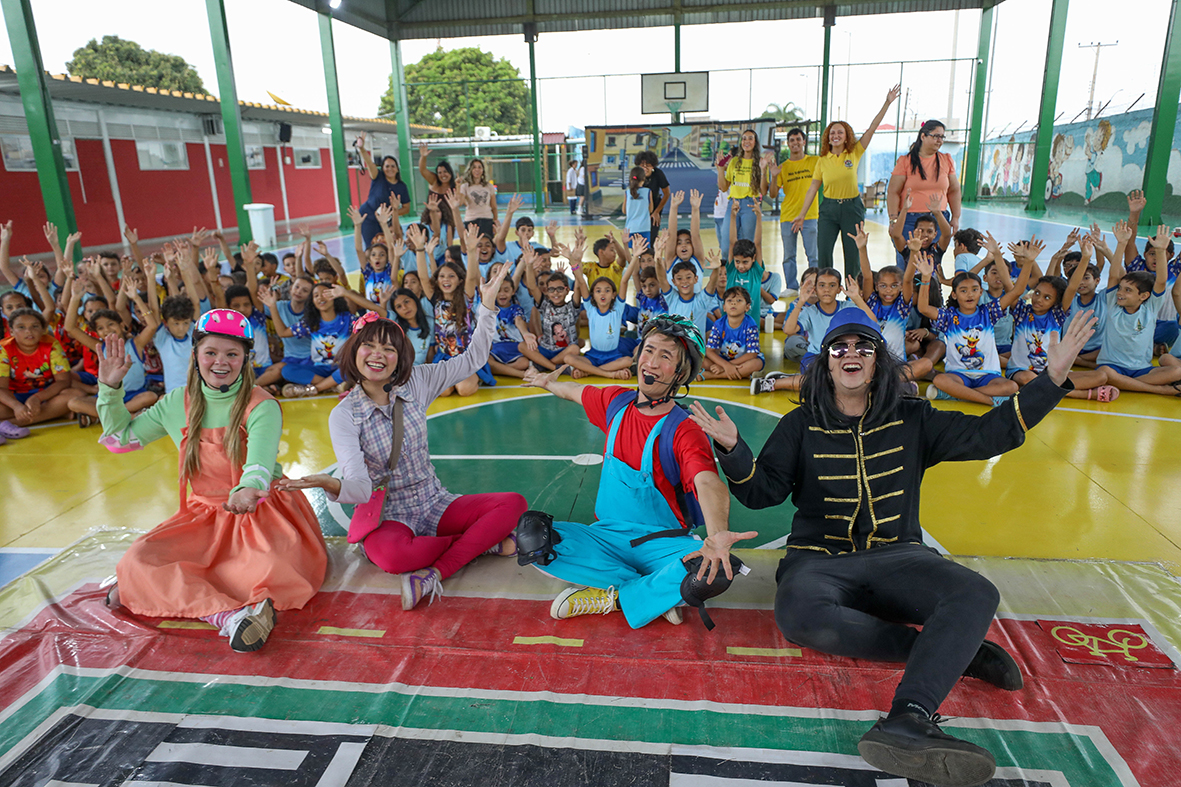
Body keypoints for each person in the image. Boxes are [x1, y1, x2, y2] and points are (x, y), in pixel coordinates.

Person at [691, 306, 1097, 787]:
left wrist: (1050, 379)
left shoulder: (914, 417)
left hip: (899, 557)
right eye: (840, 347)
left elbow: (990, 433)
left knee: (975, 594)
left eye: (864, 346)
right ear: (825, 362)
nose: (852, 354)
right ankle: (955, 653)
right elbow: (761, 494)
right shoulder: (800, 424)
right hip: (818, 563)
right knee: (796, 613)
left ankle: (909, 715)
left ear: (877, 361)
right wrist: (734, 450)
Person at [278, 265, 525, 611]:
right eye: (369, 347)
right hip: (390, 513)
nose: (378, 355)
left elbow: (473, 359)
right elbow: (361, 488)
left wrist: (486, 308)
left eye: (389, 350)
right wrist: (329, 485)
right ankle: (478, 543)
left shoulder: (418, 382)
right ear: (355, 351)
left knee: (513, 504)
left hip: (434, 501)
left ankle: (438, 570)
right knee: (393, 557)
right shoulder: (345, 415)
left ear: (400, 358)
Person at [96, 309, 327, 652]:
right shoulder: (176, 402)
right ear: (195, 356)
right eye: (211, 353)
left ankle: (167, 591)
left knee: (270, 570)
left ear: (246, 359)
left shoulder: (262, 404)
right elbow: (118, 441)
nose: (221, 362)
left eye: (232, 354)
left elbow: (259, 465)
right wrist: (110, 387)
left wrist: (249, 488)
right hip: (203, 515)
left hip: (261, 512)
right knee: (137, 561)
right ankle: (229, 616)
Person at [520, 314, 755, 628]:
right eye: (649, 350)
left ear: (681, 373)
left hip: (662, 543)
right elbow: (574, 391)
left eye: (665, 356)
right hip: (606, 536)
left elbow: (707, 481)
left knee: (714, 570)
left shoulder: (684, 429)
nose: (652, 362)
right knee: (534, 537)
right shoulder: (615, 402)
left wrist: (715, 536)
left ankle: (616, 596)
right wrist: (547, 382)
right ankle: (657, 593)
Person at [792, 85, 902, 275]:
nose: (836, 135)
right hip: (828, 210)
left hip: (852, 208)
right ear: (828, 137)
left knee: (853, 253)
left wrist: (887, 103)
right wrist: (802, 214)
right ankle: (826, 289)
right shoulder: (822, 160)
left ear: (846, 137)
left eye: (840, 133)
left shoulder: (854, 152)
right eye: (832, 133)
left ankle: (854, 293)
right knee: (824, 253)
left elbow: (873, 128)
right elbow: (812, 189)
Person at [886, 120, 962, 264]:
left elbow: (954, 190)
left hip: (938, 219)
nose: (939, 140)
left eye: (942, 137)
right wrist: (893, 219)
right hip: (909, 220)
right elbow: (893, 192)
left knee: (932, 264)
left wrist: (956, 217)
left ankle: (932, 288)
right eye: (935, 136)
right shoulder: (905, 161)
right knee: (907, 262)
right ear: (923, 136)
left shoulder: (946, 160)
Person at [0, 308, 83, 429]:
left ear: (43, 330)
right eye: (21, 327)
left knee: (75, 395)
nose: (29, 331)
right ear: (11, 331)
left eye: (35, 326)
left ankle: (13, 423)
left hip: (46, 395)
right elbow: (1, 388)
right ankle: (53, 413)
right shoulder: (3, 349)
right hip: (14, 397)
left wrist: (37, 398)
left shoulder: (52, 345)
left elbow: (63, 381)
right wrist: (16, 406)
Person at [766, 127, 818, 290]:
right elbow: (773, 194)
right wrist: (773, 176)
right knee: (789, 256)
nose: (795, 143)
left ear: (803, 142)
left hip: (810, 216)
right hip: (788, 216)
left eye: (798, 139)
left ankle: (815, 286)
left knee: (813, 257)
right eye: (792, 140)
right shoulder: (782, 167)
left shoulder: (815, 162)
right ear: (787, 144)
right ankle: (791, 287)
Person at [354, 132, 412, 247]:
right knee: (371, 246)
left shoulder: (401, 186)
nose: (390, 169)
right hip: (368, 217)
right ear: (383, 168)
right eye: (387, 166)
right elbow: (369, 163)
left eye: (393, 166)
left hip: (386, 220)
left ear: (397, 169)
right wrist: (362, 148)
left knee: (388, 246)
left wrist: (392, 213)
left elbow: (406, 208)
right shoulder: (378, 177)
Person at [715, 129, 765, 260]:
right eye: (744, 138)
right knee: (726, 247)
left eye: (750, 138)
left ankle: (749, 277)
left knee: (749, 247)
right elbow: (723, 186)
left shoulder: (760, 163)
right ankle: (730, 277)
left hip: (750, 205)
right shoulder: (734, 161)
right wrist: (720, 169)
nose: (746, 141)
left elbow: (764, 191)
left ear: (755, 142)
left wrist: (764, 170)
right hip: (733, 204)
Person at [458, 158, 497, 239]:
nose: (477, 170)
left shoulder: (488, 186)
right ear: (470, 170)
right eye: (474, 167)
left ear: (483, 170)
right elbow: (460, 202)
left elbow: (493, 206)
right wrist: (458, 186)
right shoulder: (465, 186)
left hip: (487, 220)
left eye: (479, 167)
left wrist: (495, 221)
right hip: (471, 221)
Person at [636, 150, 671, 240]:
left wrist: (657, 212)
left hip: (655, 206)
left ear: (653, 166)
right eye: (642, 166)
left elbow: (667, 193)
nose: (645, 168)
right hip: (640, 207)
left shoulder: (658, 174)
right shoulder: (635, 175)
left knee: (652, 236)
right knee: (639, 237)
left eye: (648, 165)